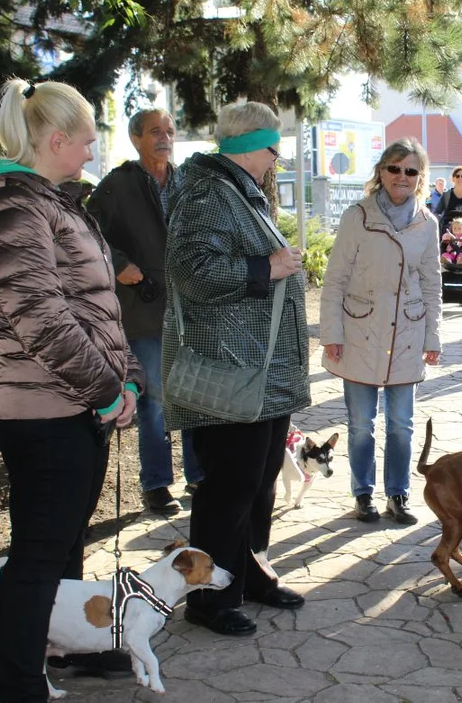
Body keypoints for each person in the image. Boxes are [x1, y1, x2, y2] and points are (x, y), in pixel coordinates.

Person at [0, 78, 145, 702]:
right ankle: (21, 685)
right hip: (42, 408)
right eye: (87, 142)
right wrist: (107, 391)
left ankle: (61, 650)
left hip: (74, 400)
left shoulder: (46, 201)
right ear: (56, 140)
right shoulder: (10, 205)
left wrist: (125, 378)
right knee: (37, 554)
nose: (91, 154)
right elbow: (40, 317)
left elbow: (96, 306)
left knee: (60, 547)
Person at [163, 101, 310, 637]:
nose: (277, 159)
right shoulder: (207, 191)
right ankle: (208, 596)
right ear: (252, 145)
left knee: (257, 479)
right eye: (275, 148)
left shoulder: (234, 190)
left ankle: (245, 575)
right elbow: (191, 269)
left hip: (255, 370)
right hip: (229, 370)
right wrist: (265, 267)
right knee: (229, 487)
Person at [320, 138, 443, 525]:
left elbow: (431, 283)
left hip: (406, 334)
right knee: (360, 425)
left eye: (410, 171)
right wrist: (332, 333)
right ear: (381, 172)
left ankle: (398, 494)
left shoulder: (428, 222)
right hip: (361, 331)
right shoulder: (357, 216)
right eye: (394, 168)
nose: (401, 177)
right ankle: (363, 494)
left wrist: (432, 337)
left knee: (402, 426)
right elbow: (336, 278)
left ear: (419, 177)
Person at [87, 108, 203, 515]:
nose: (164, 138)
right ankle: (156, 484)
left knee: (193, 396)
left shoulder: (189, 182)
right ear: (136, 138)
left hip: (189, 309)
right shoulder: (117, 185)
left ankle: (198, 477)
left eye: (170, 130)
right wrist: (118, 265)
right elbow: (86, 232)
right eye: (155, 131)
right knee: (154, 399)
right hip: (144, 310)